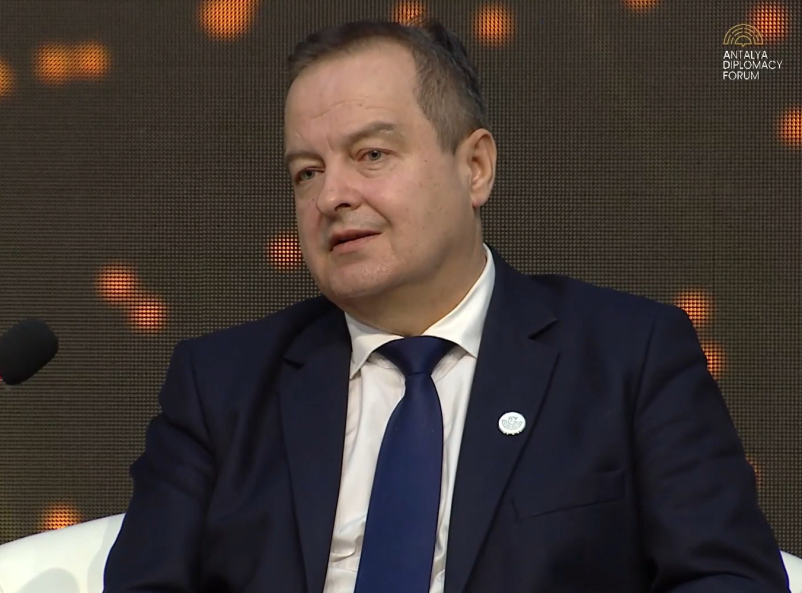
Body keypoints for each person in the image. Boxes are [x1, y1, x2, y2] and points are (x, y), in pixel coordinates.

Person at [103, 17, 790, 593]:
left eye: (371, 154)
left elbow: (728, 578)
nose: (331, 195)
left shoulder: (627, 356)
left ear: (475, 166)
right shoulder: (220, 385)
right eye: (306, 172)